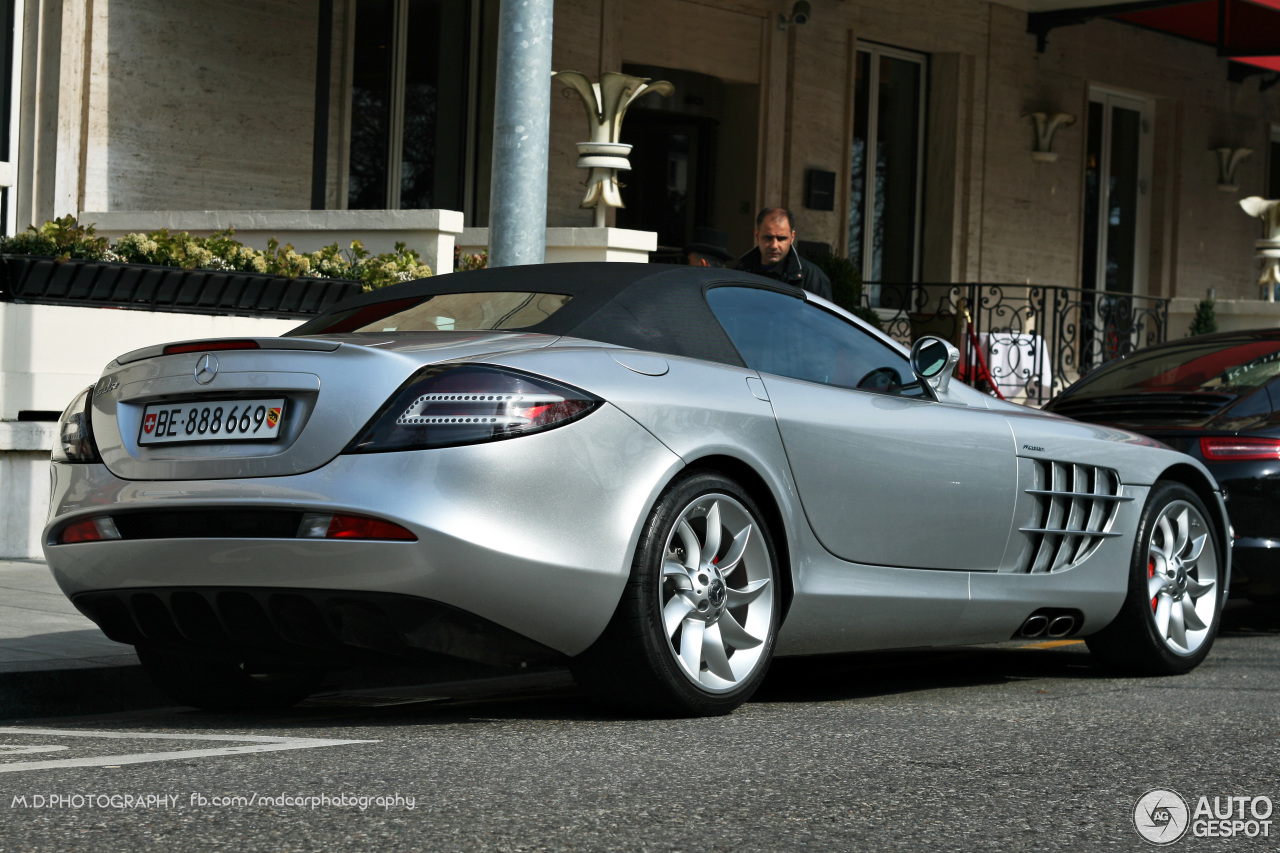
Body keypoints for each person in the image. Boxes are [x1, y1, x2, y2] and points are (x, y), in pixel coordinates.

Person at [734, 207, 832, 300]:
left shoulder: (812, 278)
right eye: (768, 237)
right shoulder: (741, 271)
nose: (774, 245)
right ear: (756, 235)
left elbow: (823, 317)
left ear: (792, 237)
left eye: (781, 239)